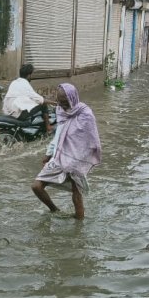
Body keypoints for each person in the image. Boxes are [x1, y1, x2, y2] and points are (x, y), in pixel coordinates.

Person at [31, 83, 101, 220]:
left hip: (76, 159)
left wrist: (81, 159)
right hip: (59, 157)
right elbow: (58, 135)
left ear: (73, 98)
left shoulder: (85, 114)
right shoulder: (60, 111)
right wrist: (48, 154)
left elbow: (92, 140)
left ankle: (78, 227)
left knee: (76, 192)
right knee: (36, 186)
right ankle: (54, 210)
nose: (62, 105)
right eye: (59, 101)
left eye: (65, 102)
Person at [2, 64, 53, 133]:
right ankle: (48, 127)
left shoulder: (14, 82)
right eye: (32, 74)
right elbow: (40, 100)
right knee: (43, 105)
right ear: (29, 75)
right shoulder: (25, 84)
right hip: (17, 114)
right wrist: (56, 103)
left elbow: (26, 96)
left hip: (7, 112)